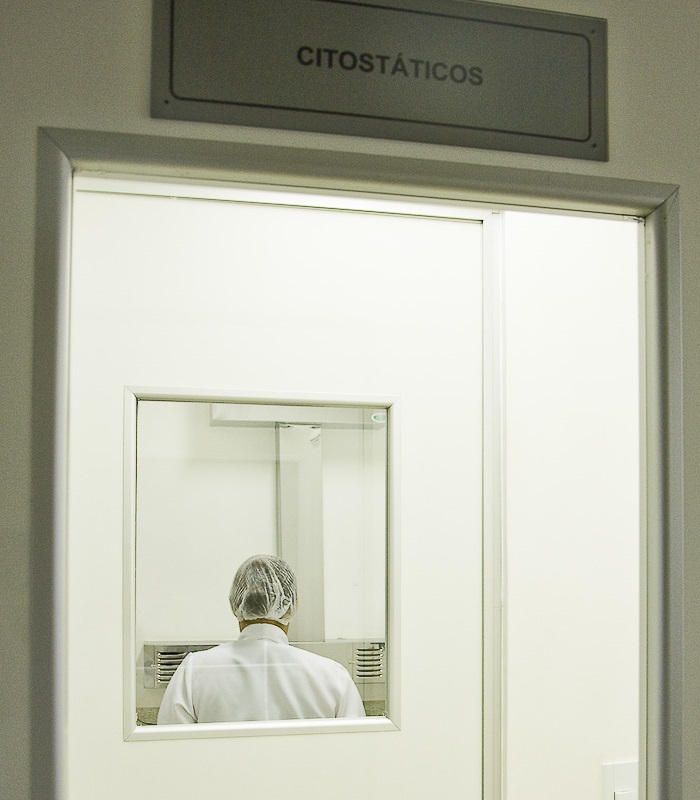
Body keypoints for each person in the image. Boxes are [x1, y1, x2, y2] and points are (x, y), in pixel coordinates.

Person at [157, 554, 366, 723]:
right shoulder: (333, 677)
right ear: (293, 605)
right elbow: (355, 751)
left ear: (234, 604)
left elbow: (168, 750)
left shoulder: (194, 671)